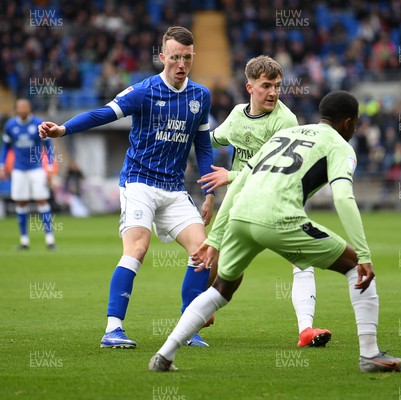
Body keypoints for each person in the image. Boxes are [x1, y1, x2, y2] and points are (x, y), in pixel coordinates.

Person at [149, 91, 401, 373]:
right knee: (353, 265)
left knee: (222, 289)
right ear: (349, 122)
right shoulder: (340, 146)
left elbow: (238, 184)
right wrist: (364, 254)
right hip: (279, 217)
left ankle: (165, 355)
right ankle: (370, 355)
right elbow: (343, 198)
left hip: (241, 215)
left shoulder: (285, 135)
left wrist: (215, 238)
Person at [39, 26, 215, 349]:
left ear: (193, 57)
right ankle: (112, 329)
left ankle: (189, 327)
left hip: (175, 189)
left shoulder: (200, 96)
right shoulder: (144, 91)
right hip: (139, 182)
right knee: (137, 248)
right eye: (175, 57)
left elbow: (203, 146)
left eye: (187, 58)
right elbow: (103, 114)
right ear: (162, 57)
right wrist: (63, 129)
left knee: (203, 254)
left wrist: (209, 192)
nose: (181, 64)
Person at [199, 55, 332, 347]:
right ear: (249, 87)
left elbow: (273, 170)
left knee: (302, 263)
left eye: (277, 86)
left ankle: (306, 330)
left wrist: (230, 176)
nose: (273, 92)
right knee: (215, 259)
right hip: (243, 202)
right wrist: (184, 133)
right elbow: (212, 140)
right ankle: (196, 316)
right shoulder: (236, 115)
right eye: (266, 86)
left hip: (279, 201)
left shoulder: (285, 121)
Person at [0, 99, 56, 250]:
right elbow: (6, 147)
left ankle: (50, 240)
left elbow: (48, 145)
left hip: (36, 168)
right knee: (21, 202)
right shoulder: (11, 126)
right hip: (18, 169)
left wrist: (50, 166)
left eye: (26, 107)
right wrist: (2, 165)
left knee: (42, 201)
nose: (24, 110)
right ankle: (24, 241)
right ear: (15, 110)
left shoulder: (38, 123)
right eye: (21, 107)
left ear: (30, 109)